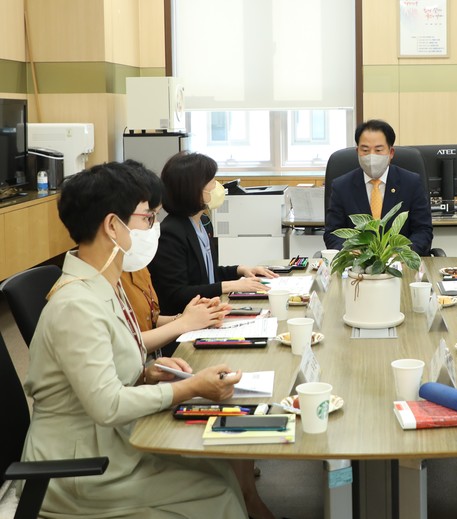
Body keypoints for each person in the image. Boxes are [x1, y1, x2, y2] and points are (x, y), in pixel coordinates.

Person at [22, 162, 248, 518]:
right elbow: (108, 404)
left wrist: (147, 373)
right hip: (77, 468)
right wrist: (189, 388)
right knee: (216, 493)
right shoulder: (75, 305)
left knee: (217, 469)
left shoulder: (104, 285)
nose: (153, 228)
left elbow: (107, 363)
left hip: (109, 443)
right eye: (148, 218)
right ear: (113, 226)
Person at [148, 151, 278, 320]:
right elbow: (176, 293)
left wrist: (240, 270)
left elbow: (207, 275)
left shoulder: (203, 222)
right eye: (212, 181)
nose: (217, 186)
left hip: (211, 313)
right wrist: (230, 285)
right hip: (185, 323)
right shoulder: (171, 233)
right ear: (193, 189)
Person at [120, 160, 230, 352]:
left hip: (160, 352)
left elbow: (150, 319)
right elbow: (124, 346)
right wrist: (185, 322)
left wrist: (189, 318)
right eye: (148, 217)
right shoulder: (170, 234)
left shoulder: (136, 267)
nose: (154, 225)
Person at [324, 119, 433, 256]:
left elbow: (423, 230)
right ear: (357, 151)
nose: (371, 156)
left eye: (378, 150)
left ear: (391, 152)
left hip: (400, 262)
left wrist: (404, 253)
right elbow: (332, 233)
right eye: (365, 150)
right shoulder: (341, 186)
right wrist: (349, 251)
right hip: (357, 263)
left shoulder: (411, 183)